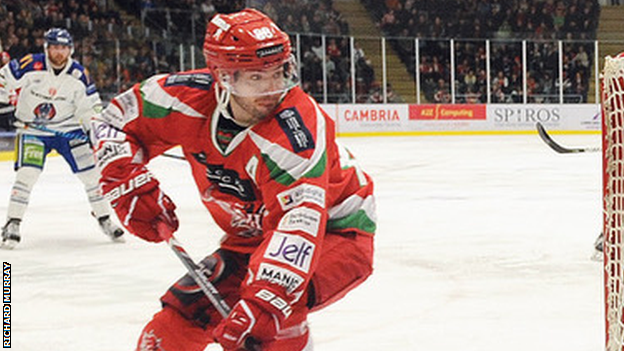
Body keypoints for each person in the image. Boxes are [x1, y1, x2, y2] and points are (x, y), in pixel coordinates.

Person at [92, 9, 376, 351]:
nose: (273, 89)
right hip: (251, 238)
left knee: (274, 321)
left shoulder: (294, 132)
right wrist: (128, 185)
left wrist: (263, 305)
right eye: (255, 79)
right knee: (174, 325)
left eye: (279, 73)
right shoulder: (183, 99)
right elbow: (112, 124)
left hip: (336, 232)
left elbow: (299, 223)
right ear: (222, 76)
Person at [0, 28, 124, 249]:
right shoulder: (30, 64)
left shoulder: (79, 75)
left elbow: (90, 109)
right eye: (55, 47)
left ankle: (104, 218)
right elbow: (3, 80)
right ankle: (12, 223)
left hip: (69, 129)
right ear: (47, 48)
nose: (59, 52)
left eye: (64, 48)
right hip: (33, 130)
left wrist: (95, 132)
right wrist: (4, 94)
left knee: (92, 175)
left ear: (71, 50)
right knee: (27, 175)